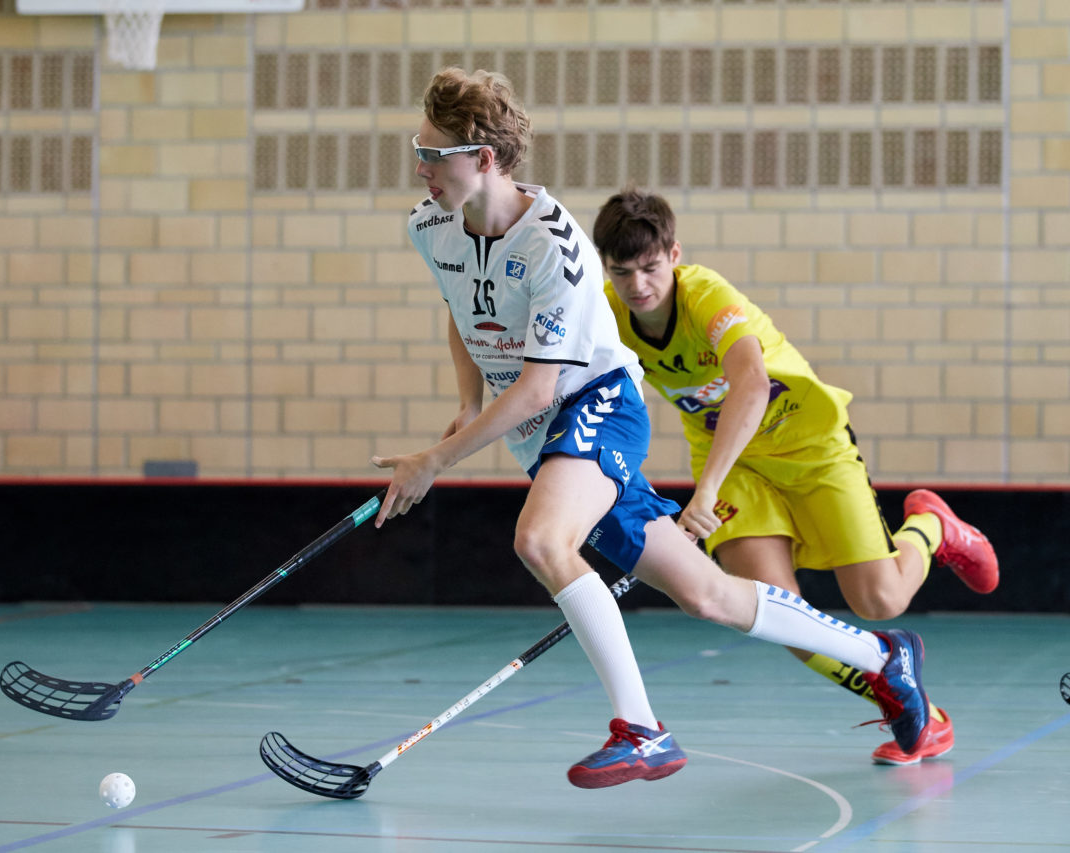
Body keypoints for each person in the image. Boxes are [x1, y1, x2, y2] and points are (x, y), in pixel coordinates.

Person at [372, 67, 938, 789]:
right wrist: (465, 397)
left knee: (542, 538)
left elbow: (544, 385)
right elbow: (461, 306)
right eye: (416, 150)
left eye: (431, 153)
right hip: (542, 437)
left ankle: (641, 727)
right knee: (708, 592)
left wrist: (437, 459)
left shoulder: (556, 248)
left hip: (596, 405)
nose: (419, 167)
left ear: (482, 160)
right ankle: (885, 656)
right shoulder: (429, 226)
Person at [592, 187, 999, 766]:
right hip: (738, 463)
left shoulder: (707, 297)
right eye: (622, 271)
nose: (638, 286)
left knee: (879, 601)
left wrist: (704, 491)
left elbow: (751, 385)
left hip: (811, 445)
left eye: (651, 268)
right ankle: (914, 709)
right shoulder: (607, 312)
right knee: (772, 610)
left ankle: (932, 527)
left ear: (674, 254)